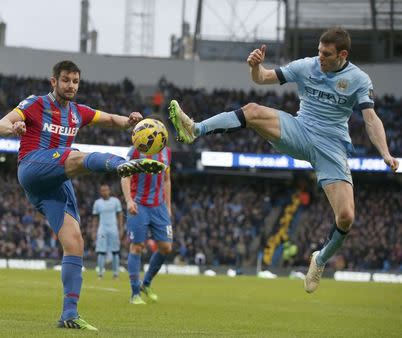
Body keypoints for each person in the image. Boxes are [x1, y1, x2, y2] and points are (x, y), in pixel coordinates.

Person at [168, 27, 399, 293]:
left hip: (331, 148)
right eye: (319, 52)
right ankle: (195, 129)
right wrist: (256, 67)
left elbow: (371, 119)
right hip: (299, 131)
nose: (320, 57)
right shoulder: (306, 66)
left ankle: (319, 259)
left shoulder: (358, 79)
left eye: (326, 54)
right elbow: (262, 78)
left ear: (342, 54)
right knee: (252, 110)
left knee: (346, 217)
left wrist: (385, 152)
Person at [0, 60, 165, 330]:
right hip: (32, 167)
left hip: (56, 181)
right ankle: (120, 164)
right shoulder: (35, 104)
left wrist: (132, 123)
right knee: (75, 157)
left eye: (75, 81)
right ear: (54, 82)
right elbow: (1, 124)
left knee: (75, 242)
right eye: (65, 80)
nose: (70, 85)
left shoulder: (78, 112)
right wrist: (14, 128)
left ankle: (69, 315)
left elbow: (109, 119)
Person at [121, 142, 172, 304]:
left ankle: (146, 283)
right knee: (137, 246)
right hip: (139, 204)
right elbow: (125, 175)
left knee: (166, 247)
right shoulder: (135, 151)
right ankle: (135, 293)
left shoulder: (166, 152)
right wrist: (129, 201)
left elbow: (166, 180)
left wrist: (168, 206)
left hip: (159, 206)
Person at [92, 183, 123, 279]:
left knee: (115, 251)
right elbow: (95, 218)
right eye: (102, 190)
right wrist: (94, 230)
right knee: (101, 251)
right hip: (102, 229)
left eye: (106, 190)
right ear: (100, 192)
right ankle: (100, 273)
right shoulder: (97, 203)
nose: (104, 192)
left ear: (109, 191)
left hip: (113, 228)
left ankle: (115, 274)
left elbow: (120, 215)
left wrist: (121, 228)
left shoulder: (116, 201)